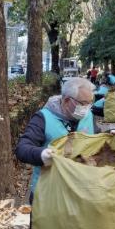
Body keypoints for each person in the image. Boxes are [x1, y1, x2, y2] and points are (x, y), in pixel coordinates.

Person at [16, 77, 109, 205]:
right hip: (48, 195)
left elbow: (95, 138)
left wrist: (109, 136)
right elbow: (22, 148)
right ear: (66, 101)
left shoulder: (88, 116)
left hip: (80, 192)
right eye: (83, 103)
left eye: (90, 103)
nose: (87, 108)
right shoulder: (43, 118)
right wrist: (41, 154)